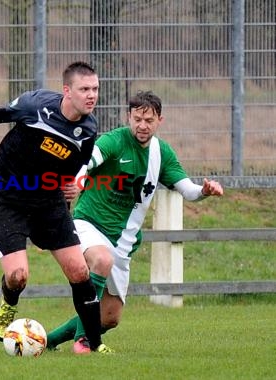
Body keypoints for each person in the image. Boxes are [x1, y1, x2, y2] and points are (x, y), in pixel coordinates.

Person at [0, 61, 112, 354]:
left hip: (48, 201)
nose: (91, 95)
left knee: (79, 271)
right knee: (18, 276)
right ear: (67, 91)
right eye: (84, 89)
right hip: (5, 196)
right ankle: (8, 304)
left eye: (95, 89)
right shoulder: (36, 105)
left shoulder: (88, 129)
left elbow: (78, 165)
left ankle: (95, 345)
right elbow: (1, 114)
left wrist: (72, 185)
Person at [47, 90, 224, 354]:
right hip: (89, 223)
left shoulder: (161, 153)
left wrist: (204, 191)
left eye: (149, 120)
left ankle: (48, 341)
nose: (142, 125)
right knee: (101, 259)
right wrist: (77, 181)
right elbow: (88, 161)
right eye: (137, 118)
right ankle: (85, 341)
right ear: (129, 116)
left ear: (159, 121)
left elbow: (186, 189)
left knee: (110, 317)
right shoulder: (113, 141)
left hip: (124, 240)